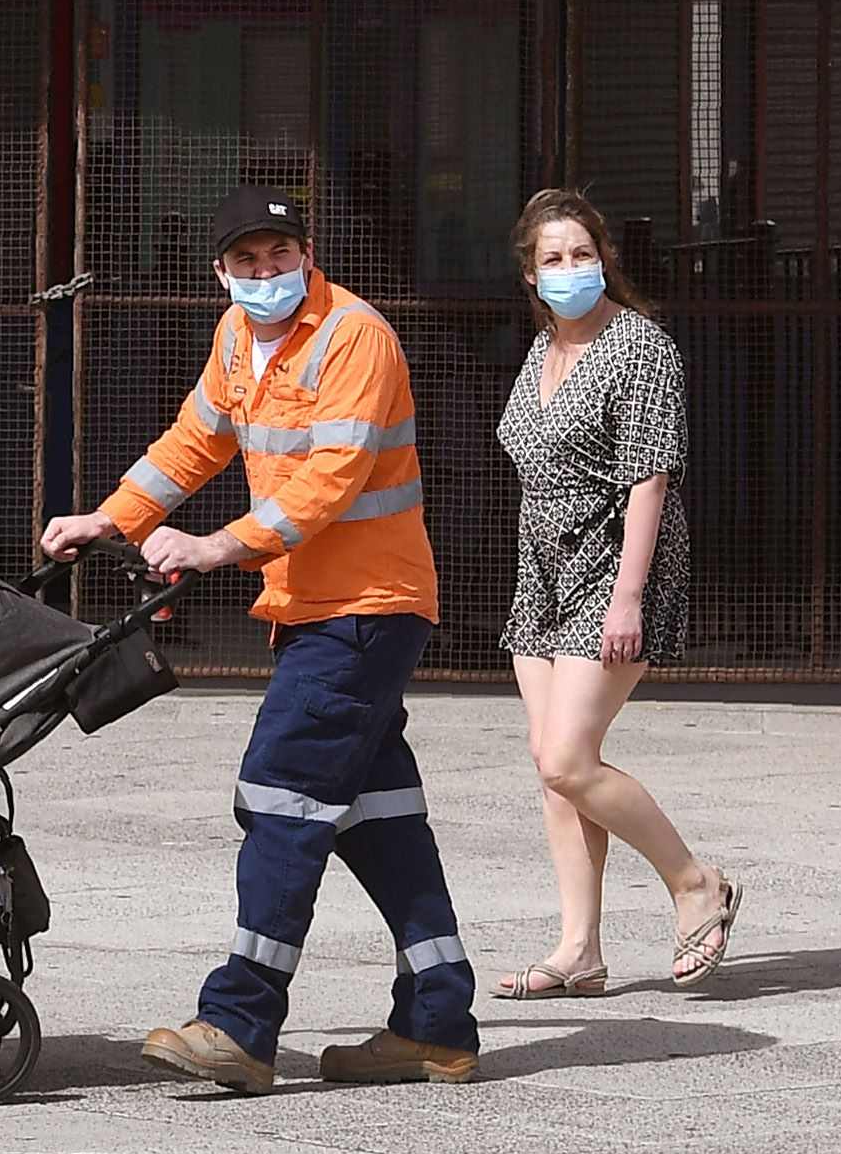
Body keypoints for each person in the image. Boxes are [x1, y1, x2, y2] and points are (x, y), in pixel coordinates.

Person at [42, 190, 476, 1092]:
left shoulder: (353, 335)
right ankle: (437, 1022)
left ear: (307, 254)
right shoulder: (237, 338)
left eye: (279, 255)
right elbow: (194, 440)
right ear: (222, 271)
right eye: (247, 261)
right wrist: (110, 518)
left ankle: (239, 1021)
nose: (264, 273)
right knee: (375, 816)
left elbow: (332, 478)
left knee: (280, 796)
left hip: (364, 606)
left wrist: (215, 546)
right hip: (315, 606)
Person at [489, 192, 744, 993]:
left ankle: (694, 880)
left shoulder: (642, 347)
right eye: (554, 258)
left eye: (582, 253)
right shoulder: (540, 348)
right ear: (531, 273)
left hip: (612, 561)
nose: (571, 269)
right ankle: (580, 949)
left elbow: (650, 477)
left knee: (569, 756)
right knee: (554, 764)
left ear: (605, 258)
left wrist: (627, 595)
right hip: (541, 567)